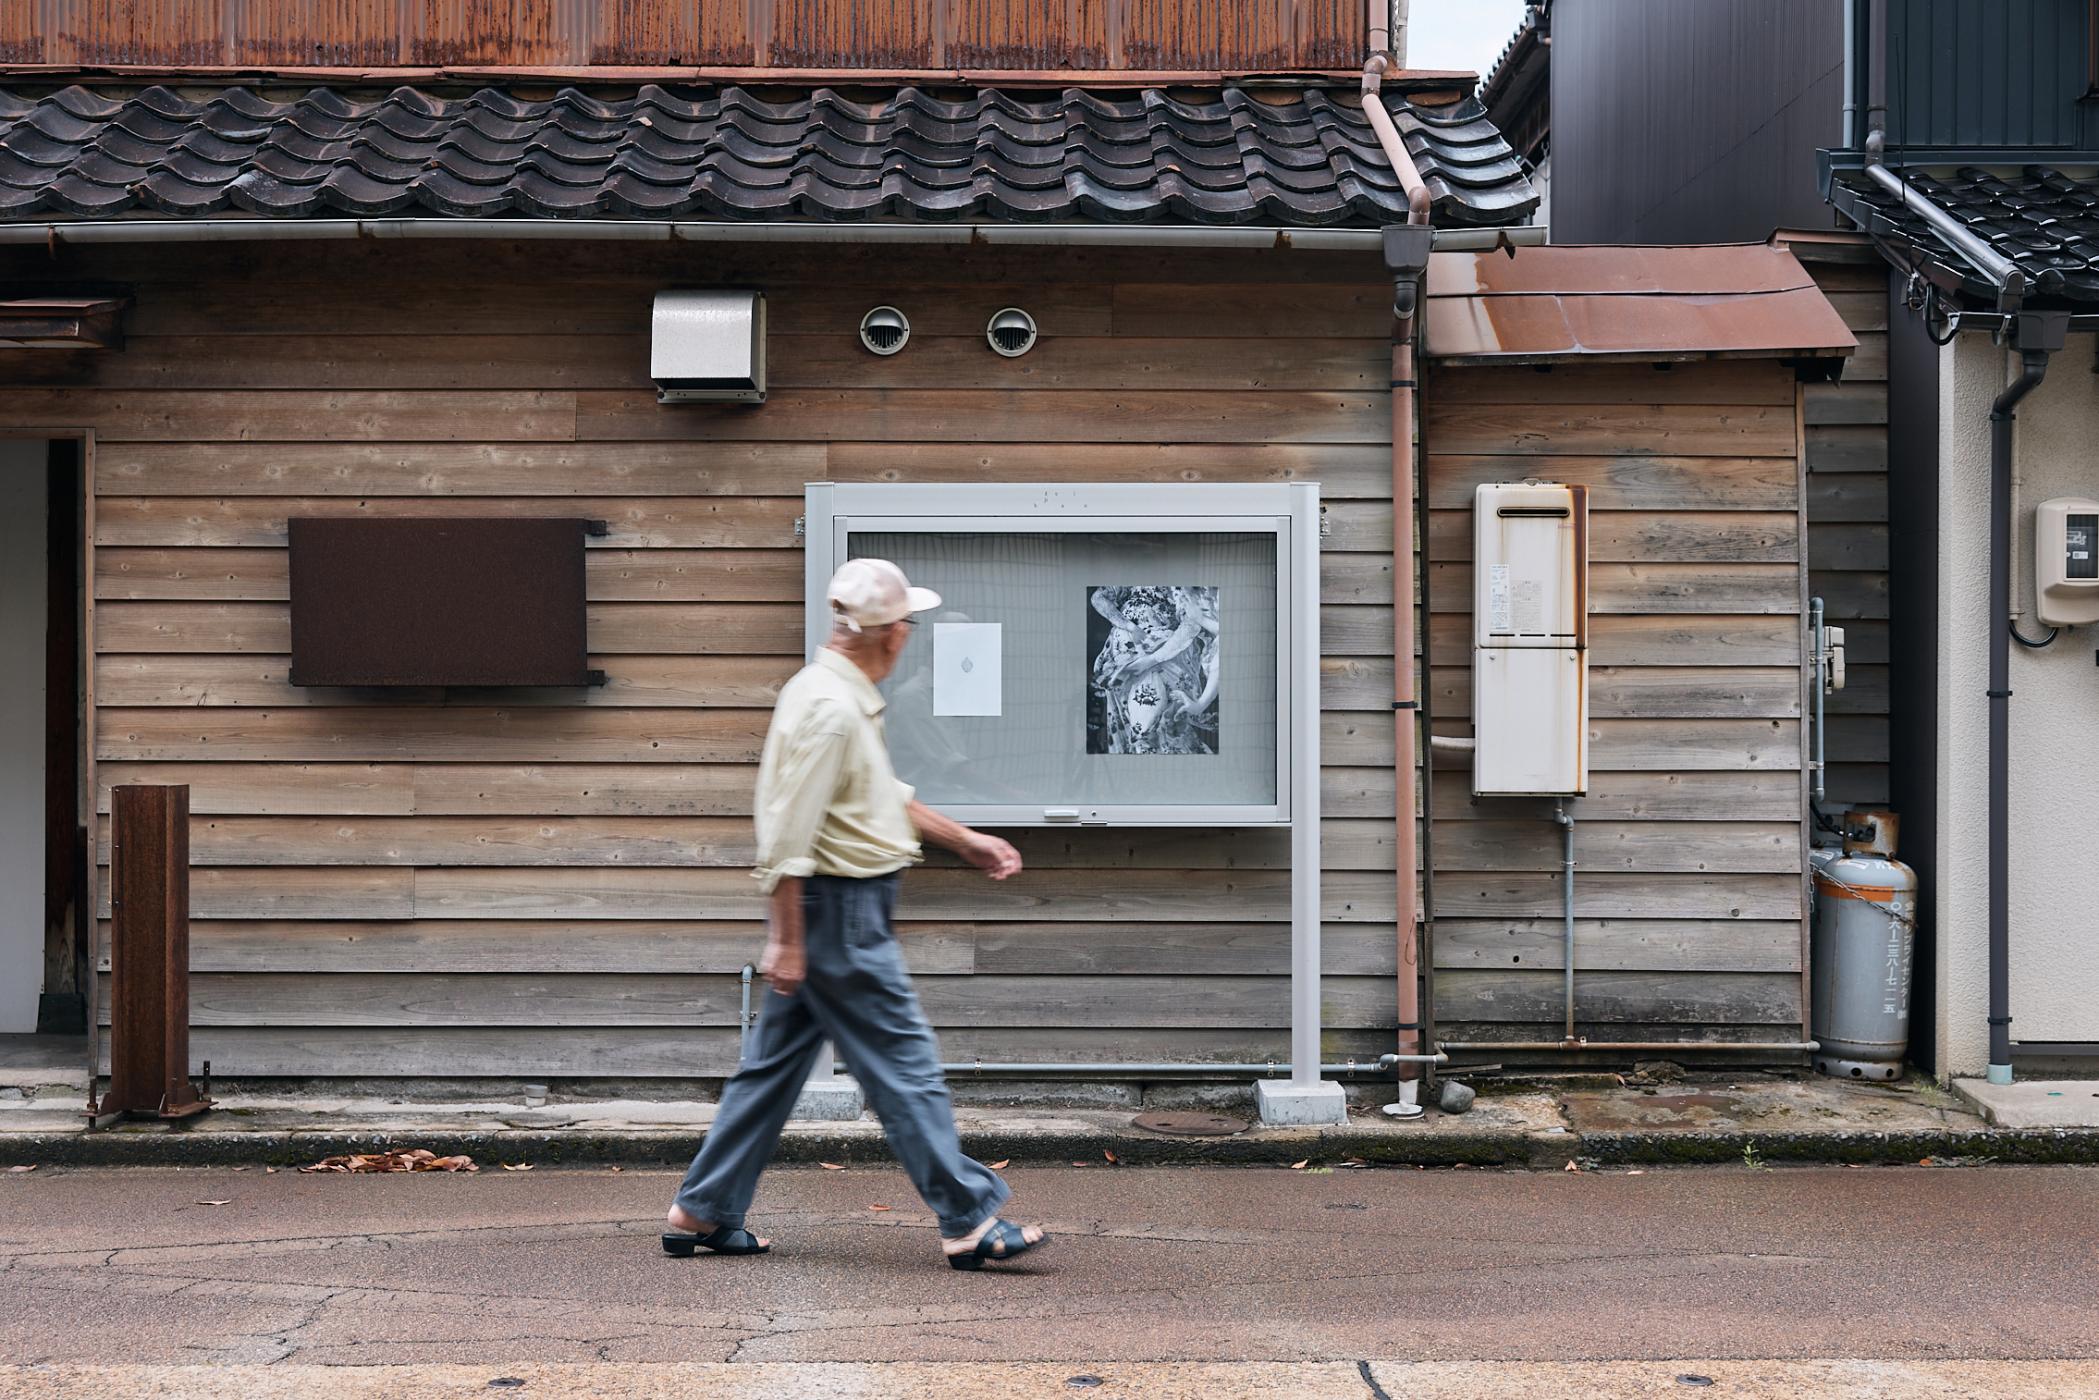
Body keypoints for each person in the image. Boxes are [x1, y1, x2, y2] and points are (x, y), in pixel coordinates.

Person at [664, 558, 1048, 1271]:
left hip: (834, 909)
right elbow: (785, 833)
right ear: (889, 634)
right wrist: (786, 939)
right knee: (905, 1067)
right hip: (838, 911)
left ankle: (702, 1209)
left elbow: (881, 795)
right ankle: (967, 1218)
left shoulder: (835, 694)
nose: (910, 634)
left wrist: (966, 840)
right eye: (908, 622)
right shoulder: (831, 709)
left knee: (770, 1071)